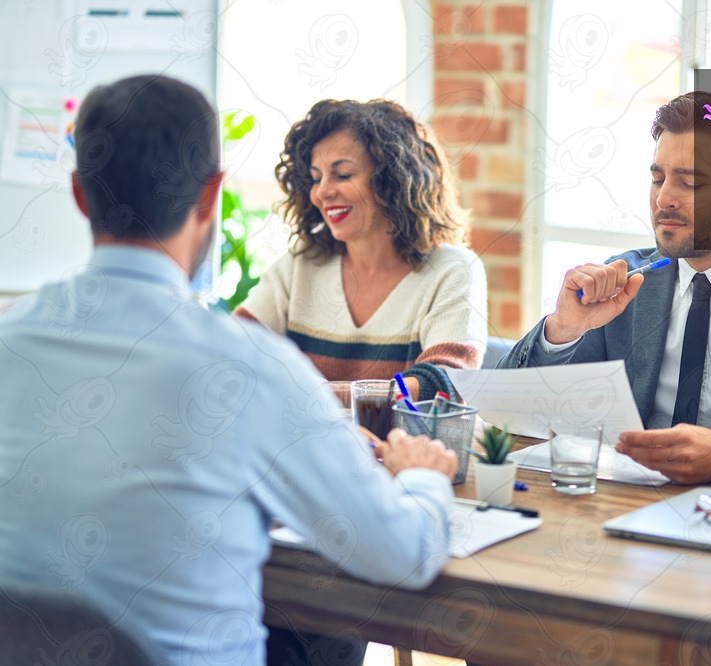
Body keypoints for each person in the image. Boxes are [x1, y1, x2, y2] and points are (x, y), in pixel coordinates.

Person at [0, 75, 458, 666]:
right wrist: (422, 476)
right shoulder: (250, 368)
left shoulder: (10, 338)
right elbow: (405, 555)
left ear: (80, 195)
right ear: (210, 194)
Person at [499, 91, 711, 484]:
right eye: (657, 179)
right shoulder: (624, 282)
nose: (664, 198)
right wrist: (561, 330)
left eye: (690, 183)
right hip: (625, 504)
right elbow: (508, 409)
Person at [235, 99, 487, 402]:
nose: (322, 192)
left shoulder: (452, 270)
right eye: (316, 179)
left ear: (391, 180)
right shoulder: (300, 265)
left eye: (342, 175)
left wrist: (324, 395)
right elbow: (232, 349)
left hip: (400, 437)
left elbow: (446, 383)